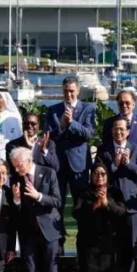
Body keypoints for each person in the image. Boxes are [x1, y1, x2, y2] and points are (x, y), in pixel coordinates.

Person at [9, 146, 65, 272]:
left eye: (18, 166)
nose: (16, 169)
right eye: (14, 166)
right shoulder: (15, 179)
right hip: (28, 233)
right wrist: (17, 199)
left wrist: (38, 196)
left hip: (49, 232)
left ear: (28, 161)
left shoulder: (48, 173)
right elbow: (13, 212)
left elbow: (57, 201)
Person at [97, 117, 137, 272]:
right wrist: (115, 165)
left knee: (132, 245)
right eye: (115, 129)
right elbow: (99, 175)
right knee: (112, 244)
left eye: (121, 129)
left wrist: (128, 164)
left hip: (132, 204)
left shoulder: (136, 149)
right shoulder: (104, 150)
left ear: (127, 131)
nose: (118, 132)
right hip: (111, 205)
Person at [73, 162, 127, 272]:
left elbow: (122, 212)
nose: (99, 177)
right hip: (90, 244)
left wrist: (107, 203)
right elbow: (77, 214)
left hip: (112, 243)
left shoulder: (115, 192)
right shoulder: (85, 194)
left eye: (103, 174)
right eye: (96, 173)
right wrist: (96, 204)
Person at [43, 76, 96, 206]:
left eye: (71, 91)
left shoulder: (87, 109)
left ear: (78, 91)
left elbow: (88, 134)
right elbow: (47, 136)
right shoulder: (53, 111)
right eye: (66, 91)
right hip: (58, 164)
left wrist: (72, 123)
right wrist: (61, 126)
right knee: (57, 203)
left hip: (79, 165)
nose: (68, 94)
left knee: (81, 205)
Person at [103, 88, 137, 155]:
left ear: (133, 104)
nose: (124, 106)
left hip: (136, 163)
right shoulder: (109, 122)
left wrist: (135, 149)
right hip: (115, 163)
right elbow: (105, 145)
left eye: (127, 103)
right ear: (117, 105)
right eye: (121, 103)